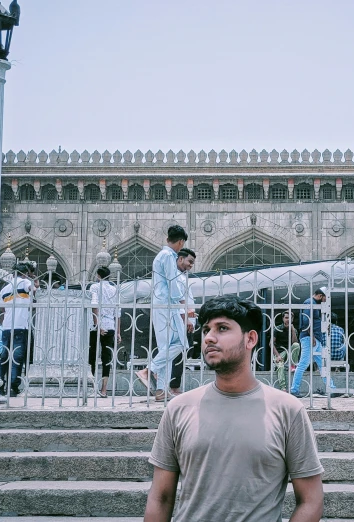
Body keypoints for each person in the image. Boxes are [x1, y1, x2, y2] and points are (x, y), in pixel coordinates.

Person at [144, 295, 324, 522]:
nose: (209, 337)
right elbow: (161, 497)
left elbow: (311, 500)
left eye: (222, 328)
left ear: (250, 339)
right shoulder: (179, 408)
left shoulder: (287, 410)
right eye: (206, 329)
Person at [137, 224, 189, 402]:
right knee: (181, 344)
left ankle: (160, 390)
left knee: (166, 348)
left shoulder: (164, 255)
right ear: (181, 242)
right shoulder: (168, 256)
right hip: (167, 304)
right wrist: (183, 303)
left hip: (163, 304)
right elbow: (172, 281)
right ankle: (148, 370)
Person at [0, 261, 38, 397]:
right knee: (17, 357)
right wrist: (33, 277)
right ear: (25, 273)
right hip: (21, 326)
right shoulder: (24, 283)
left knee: (4, 356)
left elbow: (2, 309)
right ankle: (13, 386)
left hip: (7, 327)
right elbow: (35, 288)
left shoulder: (5, 288)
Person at [290, 288, 340, 398]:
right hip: (309, 338)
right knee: (303, 363)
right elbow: (306, 320)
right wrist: (311, 335)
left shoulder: (313, 303)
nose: (325, 300)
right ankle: (294, 389)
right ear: (320, 295)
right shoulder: (309, 302)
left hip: (315, 339)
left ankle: (331, 388)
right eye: (325, 297)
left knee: (322, 365)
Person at [168, 248, 197, 395]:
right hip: (180, 321)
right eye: (189, 261)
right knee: (178, 352)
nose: (191, 265)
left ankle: (172, 385)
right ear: (180, 259)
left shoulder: (182, 277)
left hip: (186, 320)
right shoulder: (175, 277)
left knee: (183, 351)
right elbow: (177, 300)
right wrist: (186, 319)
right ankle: (173, 386)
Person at [89, 266, 120, 398]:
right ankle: (104, 389)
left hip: (96, 325)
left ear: (98, 275)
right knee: (107, 358)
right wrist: (118, 332)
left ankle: (92, 387)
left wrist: (97, 325)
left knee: (92, 357)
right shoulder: (114, 289)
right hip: (111, 325)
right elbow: (118, 312)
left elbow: (94, 305)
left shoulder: (94, 287)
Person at [271, 310, 299, 391]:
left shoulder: (294, 330)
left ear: (292, 319)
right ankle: (283, 388)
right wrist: (278, 355)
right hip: (280, 352)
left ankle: (292, 365)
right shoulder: (277, 329)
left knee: (296, 345)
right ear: (283, 319)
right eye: (286, 318)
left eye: (290, 318)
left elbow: (295, 343)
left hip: (290, 352)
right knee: (280, 366)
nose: (288, 320)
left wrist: (293, 330)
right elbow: (271, 344)